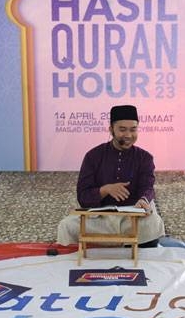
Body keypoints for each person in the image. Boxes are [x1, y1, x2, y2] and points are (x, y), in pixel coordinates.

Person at [56, 105, 166, 247]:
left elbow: (148, 187)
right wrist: (105, 190)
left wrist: (143, 200)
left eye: (133, 129)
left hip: (132, 219)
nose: (128, 135)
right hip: (100, 219)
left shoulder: (145, 158)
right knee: (67, 225)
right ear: (111, 130)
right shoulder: (93, 156)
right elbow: (82, 196)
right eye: (122, 130)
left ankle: (116, 245)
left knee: (153, 222)